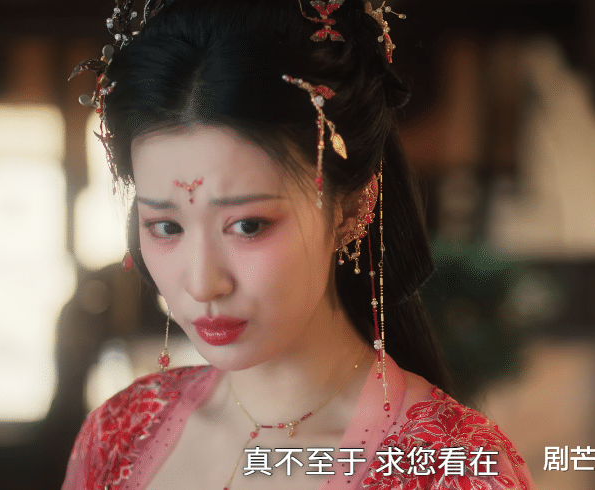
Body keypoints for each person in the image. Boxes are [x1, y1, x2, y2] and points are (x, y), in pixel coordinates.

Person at [63, 1, 536, 488]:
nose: (203, 283)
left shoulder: (451, 468)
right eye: (166, 227)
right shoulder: (119, 435)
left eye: (248, 225)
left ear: (351, 208)